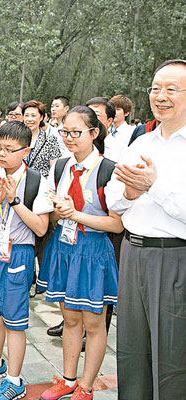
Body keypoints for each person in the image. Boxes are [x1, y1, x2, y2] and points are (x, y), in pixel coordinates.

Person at [105, 59, 186, 400]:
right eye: (155, 88)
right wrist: (129, 192)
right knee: (131, 351)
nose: (160, 96)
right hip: (132, 252)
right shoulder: (141, 143)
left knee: (172, 355)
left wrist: (154, 186)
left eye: (171, 89)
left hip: (174, 258)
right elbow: (113, 198)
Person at [37, 106, 122, 400]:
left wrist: (74, 214)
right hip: (64, 247)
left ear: (94, 133)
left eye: (76, 132)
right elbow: (50, 210)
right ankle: (68, 379)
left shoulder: (109, 170)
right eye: (65, 132)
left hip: (93, 250)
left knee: (94, 323)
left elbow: (116, 223)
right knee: (69, 318)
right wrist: (55, 212)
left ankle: (86, 387)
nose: (69, 138)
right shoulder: (60, 166)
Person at [0, 121, 52, 400]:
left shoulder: (37, 181)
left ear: (26, 151)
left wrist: (15, 201)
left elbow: (41, 228)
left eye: (9, 149)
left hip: (18, 254)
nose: (1, 154)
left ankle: (15, 381)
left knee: (14, 322)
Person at [23, 100, 61, 178]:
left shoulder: (49, 139)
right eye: (26, 115)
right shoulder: (17, 138)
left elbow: (54, 168)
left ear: (41, 117)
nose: (29, 119)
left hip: (42, 184)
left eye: (33, 115)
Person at [106, 95, 135, 162]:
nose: (114, 112)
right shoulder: (106, 130)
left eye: (118, 109)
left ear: (126, 113)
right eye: (112, 109)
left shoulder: (131, 133)